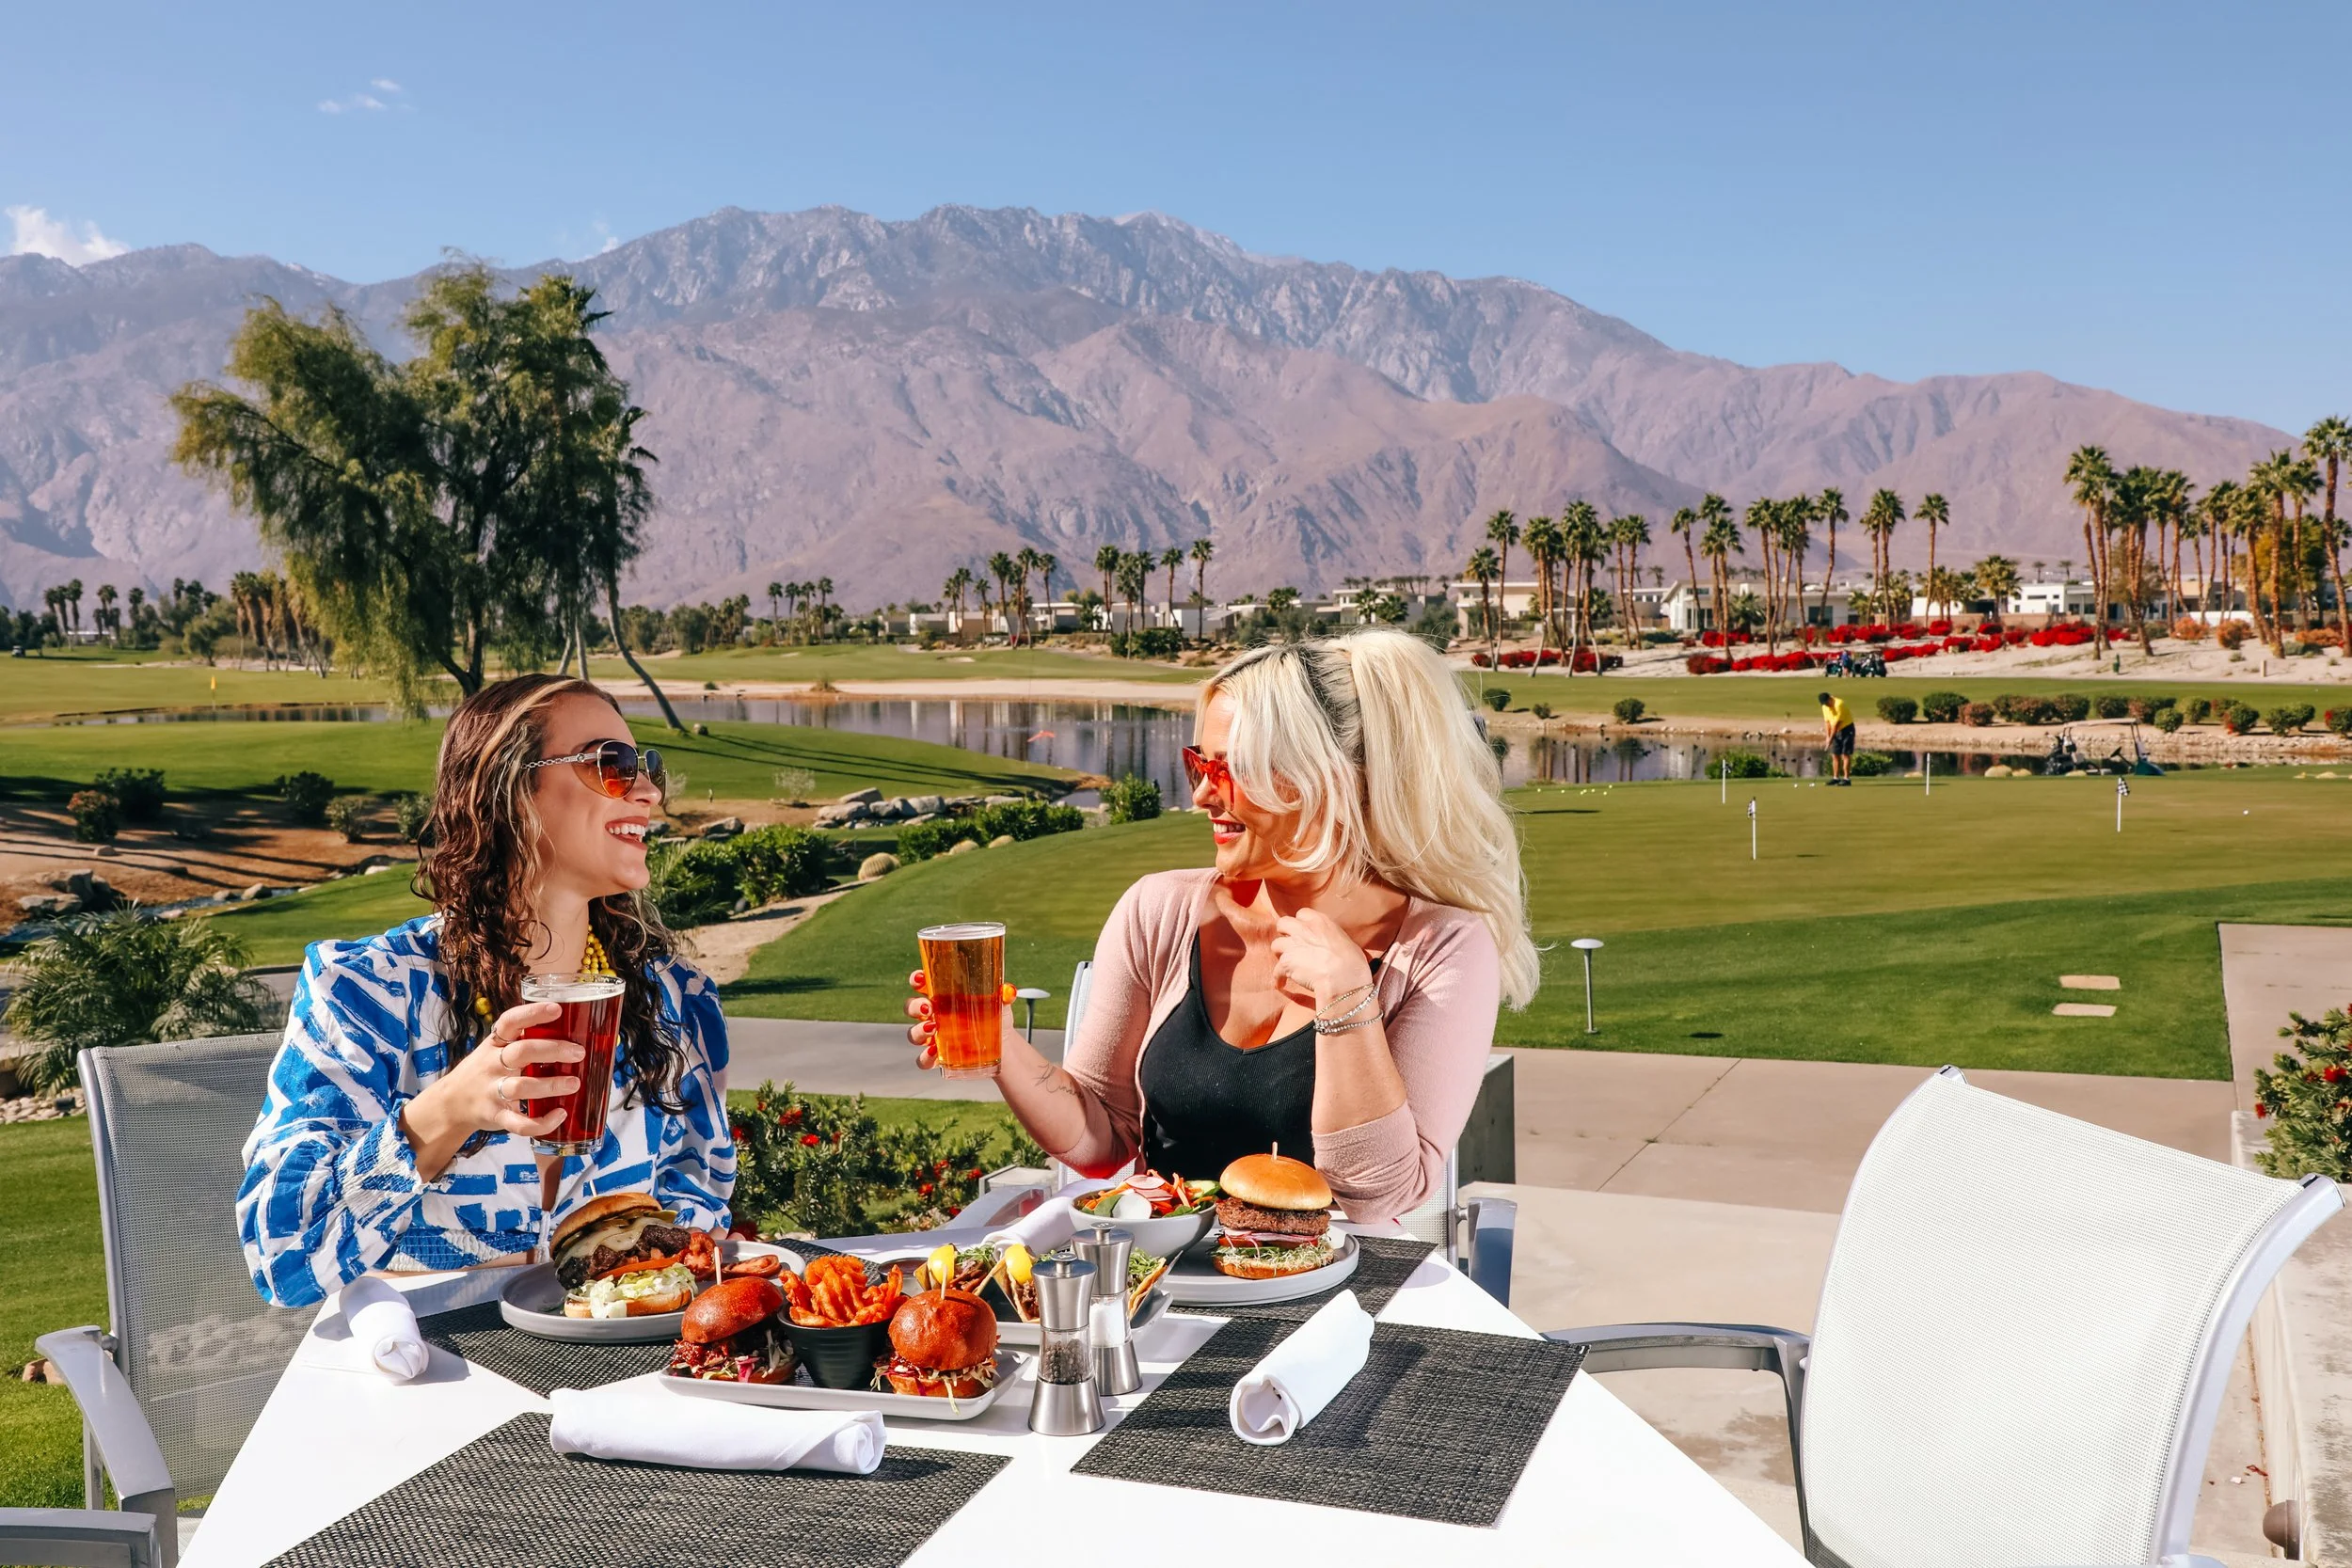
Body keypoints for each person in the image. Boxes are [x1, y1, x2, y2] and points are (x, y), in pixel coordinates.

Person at [904, 628, 1538, 1223]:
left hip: (1337, 1309)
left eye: (1230, 769)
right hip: (1166, 1300)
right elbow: (1102, 1135)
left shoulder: (1442, 950)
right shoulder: (1158, 912)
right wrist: (1001, 1047)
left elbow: (1376, 1196)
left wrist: (1347, 996)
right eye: (1198, 763)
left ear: (1332, 780)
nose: (1201, 796)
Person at [238, 675, 734, 1308]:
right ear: (509, 792)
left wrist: (658, 1259)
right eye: (613, 765)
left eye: (648, 767)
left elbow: (702, 1192)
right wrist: (441, 1114)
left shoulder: (674, 1001)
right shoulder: (370, 993)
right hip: (427, 1382)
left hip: (616, 1381)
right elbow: (282, 1256)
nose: (648, 790)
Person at [1819, 689, 1857, 784]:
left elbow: (1836, 725)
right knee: (1835, 754)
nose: (1827, 705)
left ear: (1830, 699)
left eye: (1827, 703)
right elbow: (1827, 722)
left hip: (1847, 729)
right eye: (1824, 704)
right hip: (1835, 730)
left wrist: (1831, 739)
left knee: (1845, 754)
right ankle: (1836, 778)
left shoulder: (1839, 704)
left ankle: (1846, 779)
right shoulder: (1825, 707)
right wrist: (1828, 737)